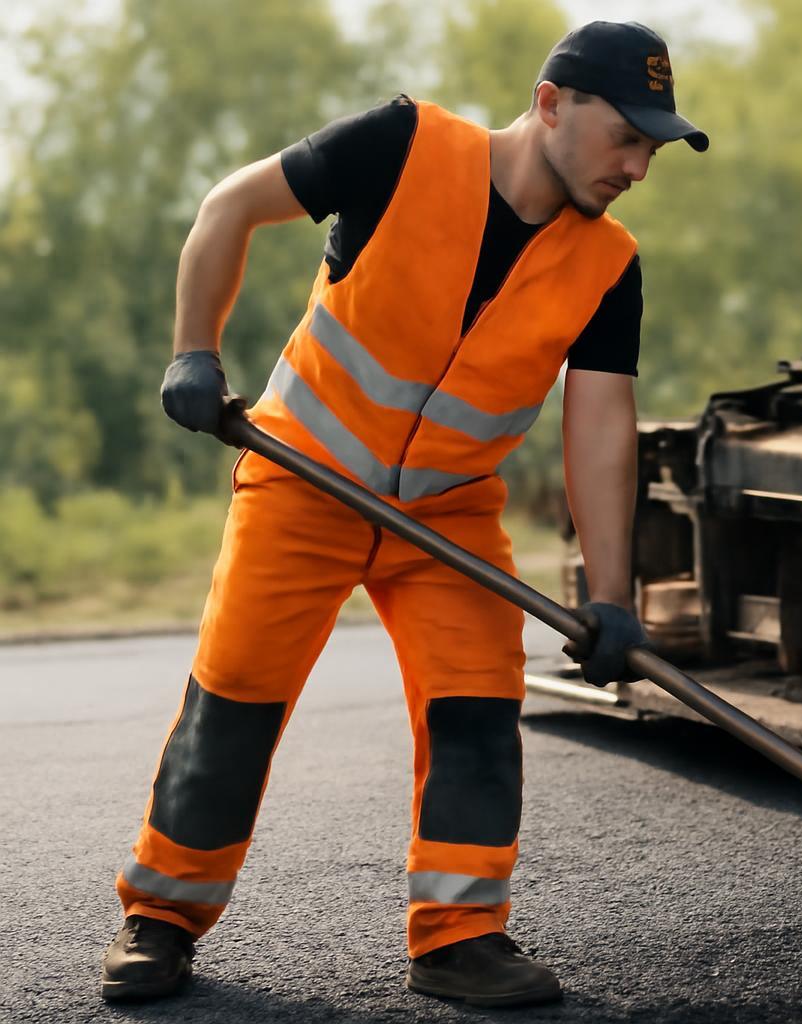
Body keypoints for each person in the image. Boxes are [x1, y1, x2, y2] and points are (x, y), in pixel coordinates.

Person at [99, 21, 707, 1009]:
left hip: (449, 513)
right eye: (626, 136)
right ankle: (160, 919)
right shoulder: (402, 145)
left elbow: (602, 426)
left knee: (478, 702)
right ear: (551, 103)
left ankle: (460, 937)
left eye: (653, 147)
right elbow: (229, 207)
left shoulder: (607, 264)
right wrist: (192, 351)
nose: (639, 165)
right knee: (236, 700)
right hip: (306, 477)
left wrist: (609, 595)